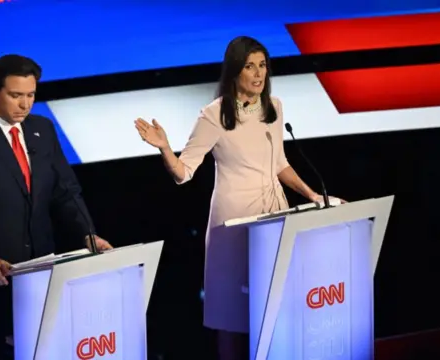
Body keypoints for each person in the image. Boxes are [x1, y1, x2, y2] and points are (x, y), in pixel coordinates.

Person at [134, 36, 342, 360]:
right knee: (232, 316)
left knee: (277, 304)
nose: (258, 74)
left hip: (275, 216)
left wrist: (313, 194)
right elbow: (183, 172)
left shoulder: (274, 107)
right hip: (233, 224)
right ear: (234, 71)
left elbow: (280, 165)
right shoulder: (213, 115)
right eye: (249, 66)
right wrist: (164, 147)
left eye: (262, 66)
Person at [0, 54, 112, 359]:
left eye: (31, 95)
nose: (25, 105)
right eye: (15, 95)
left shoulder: (42, 130)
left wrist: (87, 234)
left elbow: (65, 192)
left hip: (41, 274)